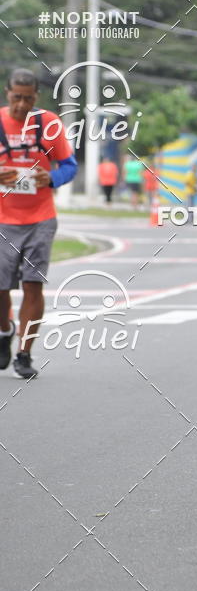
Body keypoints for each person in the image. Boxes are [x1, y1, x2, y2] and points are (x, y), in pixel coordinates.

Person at [0, 68, 77, 379]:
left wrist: (52, 178)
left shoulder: (49, 124)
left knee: (33, 285)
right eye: (16, 98)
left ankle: (24, 353)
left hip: (40, 218)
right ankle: (5, 331)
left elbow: (69, 165)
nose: (21, 105)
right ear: (7, 94)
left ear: (36, 98)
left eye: (28, 99)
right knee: (1, 287)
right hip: (3, 219)